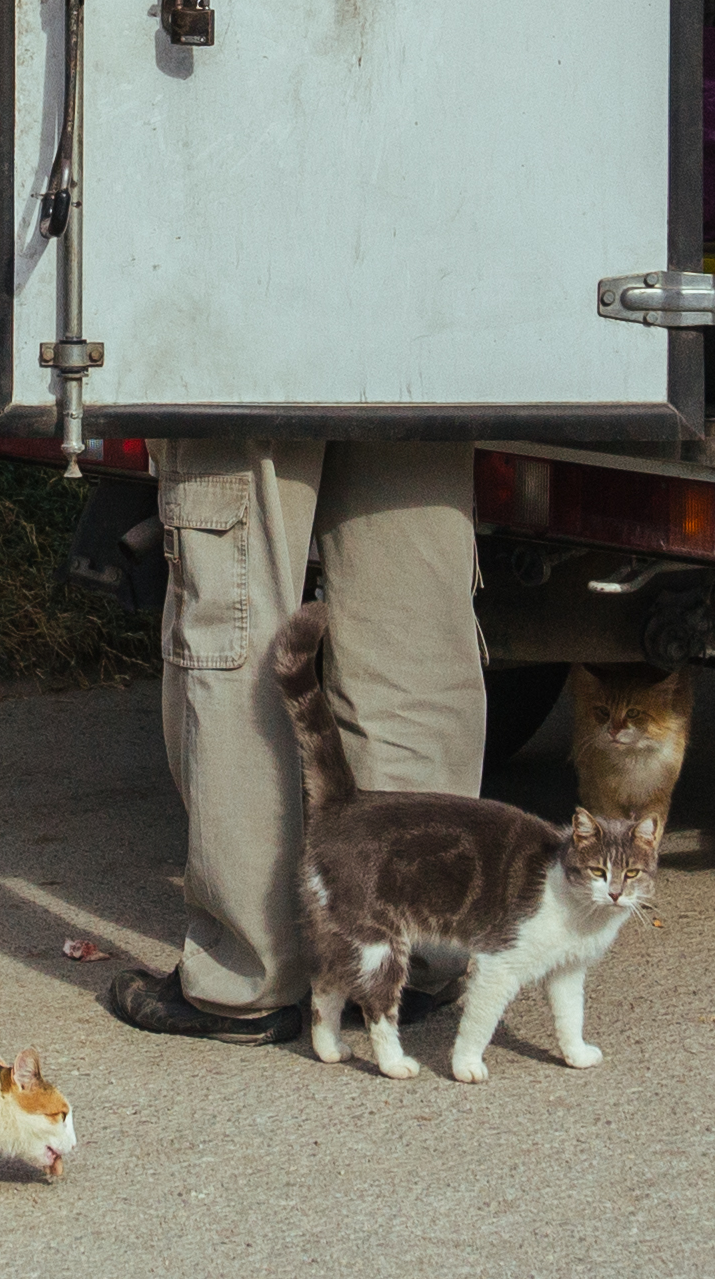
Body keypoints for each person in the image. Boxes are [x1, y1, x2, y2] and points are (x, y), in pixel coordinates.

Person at [96, 435, 483, 1041]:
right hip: (430, 344)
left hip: (247, 349)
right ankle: (406, 955)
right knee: (413, 618)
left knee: (237, 608)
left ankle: (243, 978)